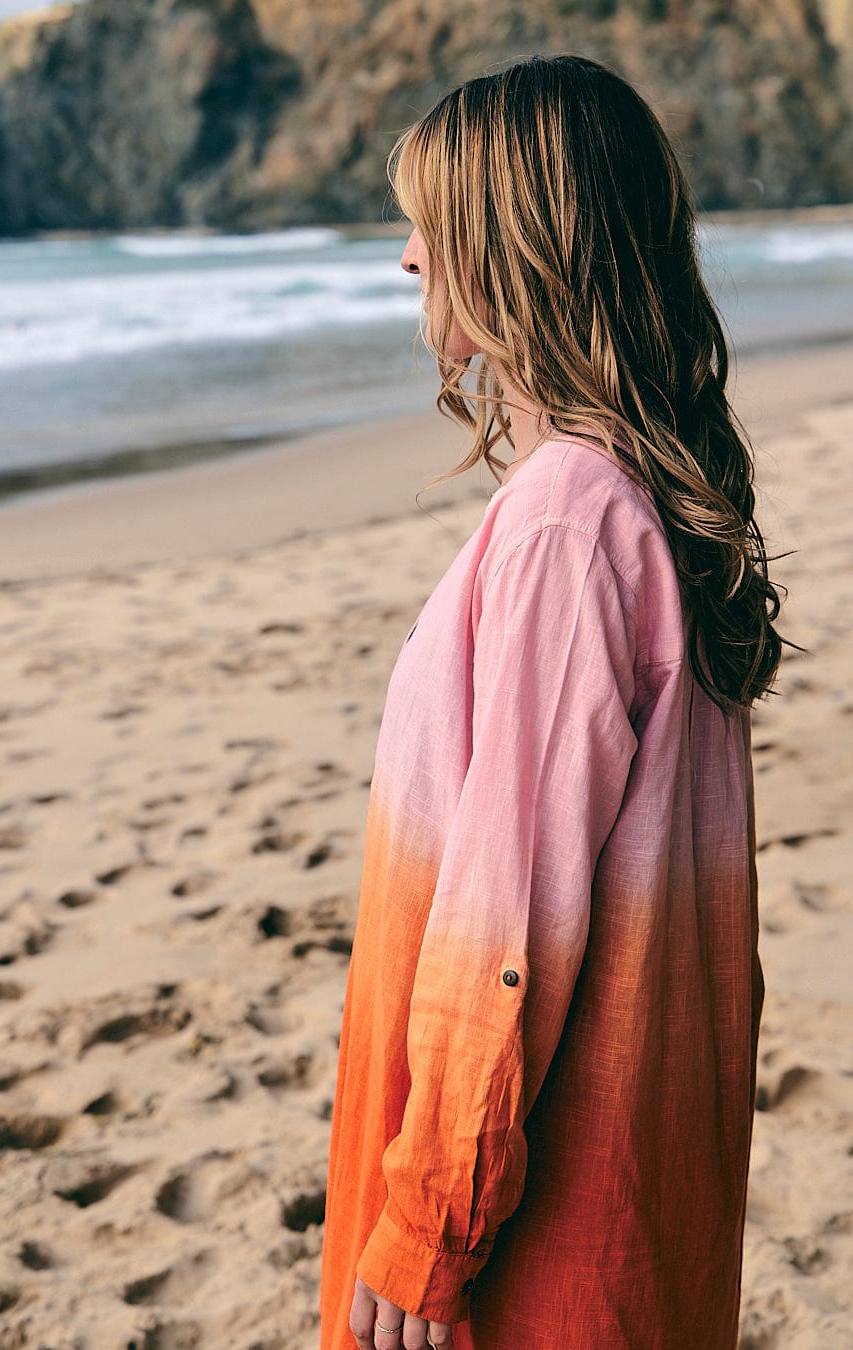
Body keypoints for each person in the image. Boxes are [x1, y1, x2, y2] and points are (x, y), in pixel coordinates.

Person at [318, 54, 798, 1350]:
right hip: (635, 1183)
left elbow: (507, 917)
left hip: (547, 1243)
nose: (407, 260)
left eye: (433, 225)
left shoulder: (568, 524)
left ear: (516, 246)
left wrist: (428, 1220)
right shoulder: (638, 495)